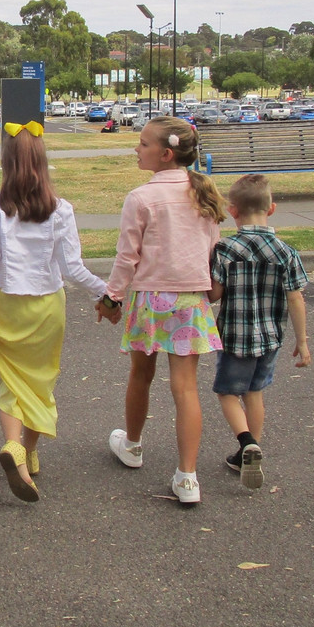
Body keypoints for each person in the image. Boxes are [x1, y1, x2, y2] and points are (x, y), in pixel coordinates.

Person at [0, 120, 113, 502]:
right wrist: (107, 292)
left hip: (5, 304)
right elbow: (73, 269)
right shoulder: (60, 209)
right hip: (48, 306)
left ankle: (14, 446)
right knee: (39, 381)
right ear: (42, 160)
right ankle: (29, 450)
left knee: (12, 381)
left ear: (5, 161)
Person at [100, 116, 226, 504]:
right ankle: (187, 477)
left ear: (166, 153)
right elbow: (213, 251)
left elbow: (127, 257)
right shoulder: (204, 193)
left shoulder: (141, 198)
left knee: (141, 375)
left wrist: (111, 298)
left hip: (150, 300)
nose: (136, 149)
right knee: (185, 388)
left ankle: (133, 444)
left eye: (143, 144)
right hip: (191, 300)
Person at [208, 174, 310, 490]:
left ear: (232, 210)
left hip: (234, 337)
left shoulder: (225, 249)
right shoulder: (286, 252)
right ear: (272, 208)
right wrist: (302, 341)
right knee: (254, 392)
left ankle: (246, 442)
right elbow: (296, 298)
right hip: (270, 338)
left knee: (227, 393)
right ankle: (249, 453)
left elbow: (214, 295)